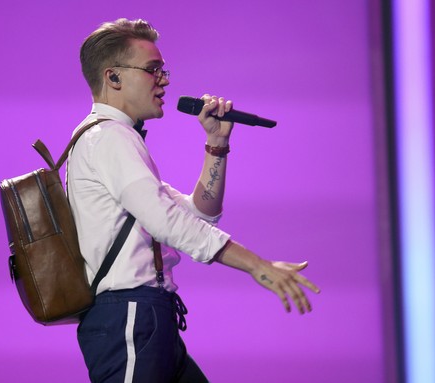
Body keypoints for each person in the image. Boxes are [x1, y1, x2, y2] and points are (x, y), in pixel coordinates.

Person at [68, 18, 320, 383]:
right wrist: (256, 265)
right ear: (114, 77)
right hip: (130, 317)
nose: (165, 80)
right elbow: (167, 223)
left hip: (150, 319)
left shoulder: (115, 140)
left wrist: (216, 144)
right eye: (153, 70)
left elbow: (198, 213)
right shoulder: (108, 138)